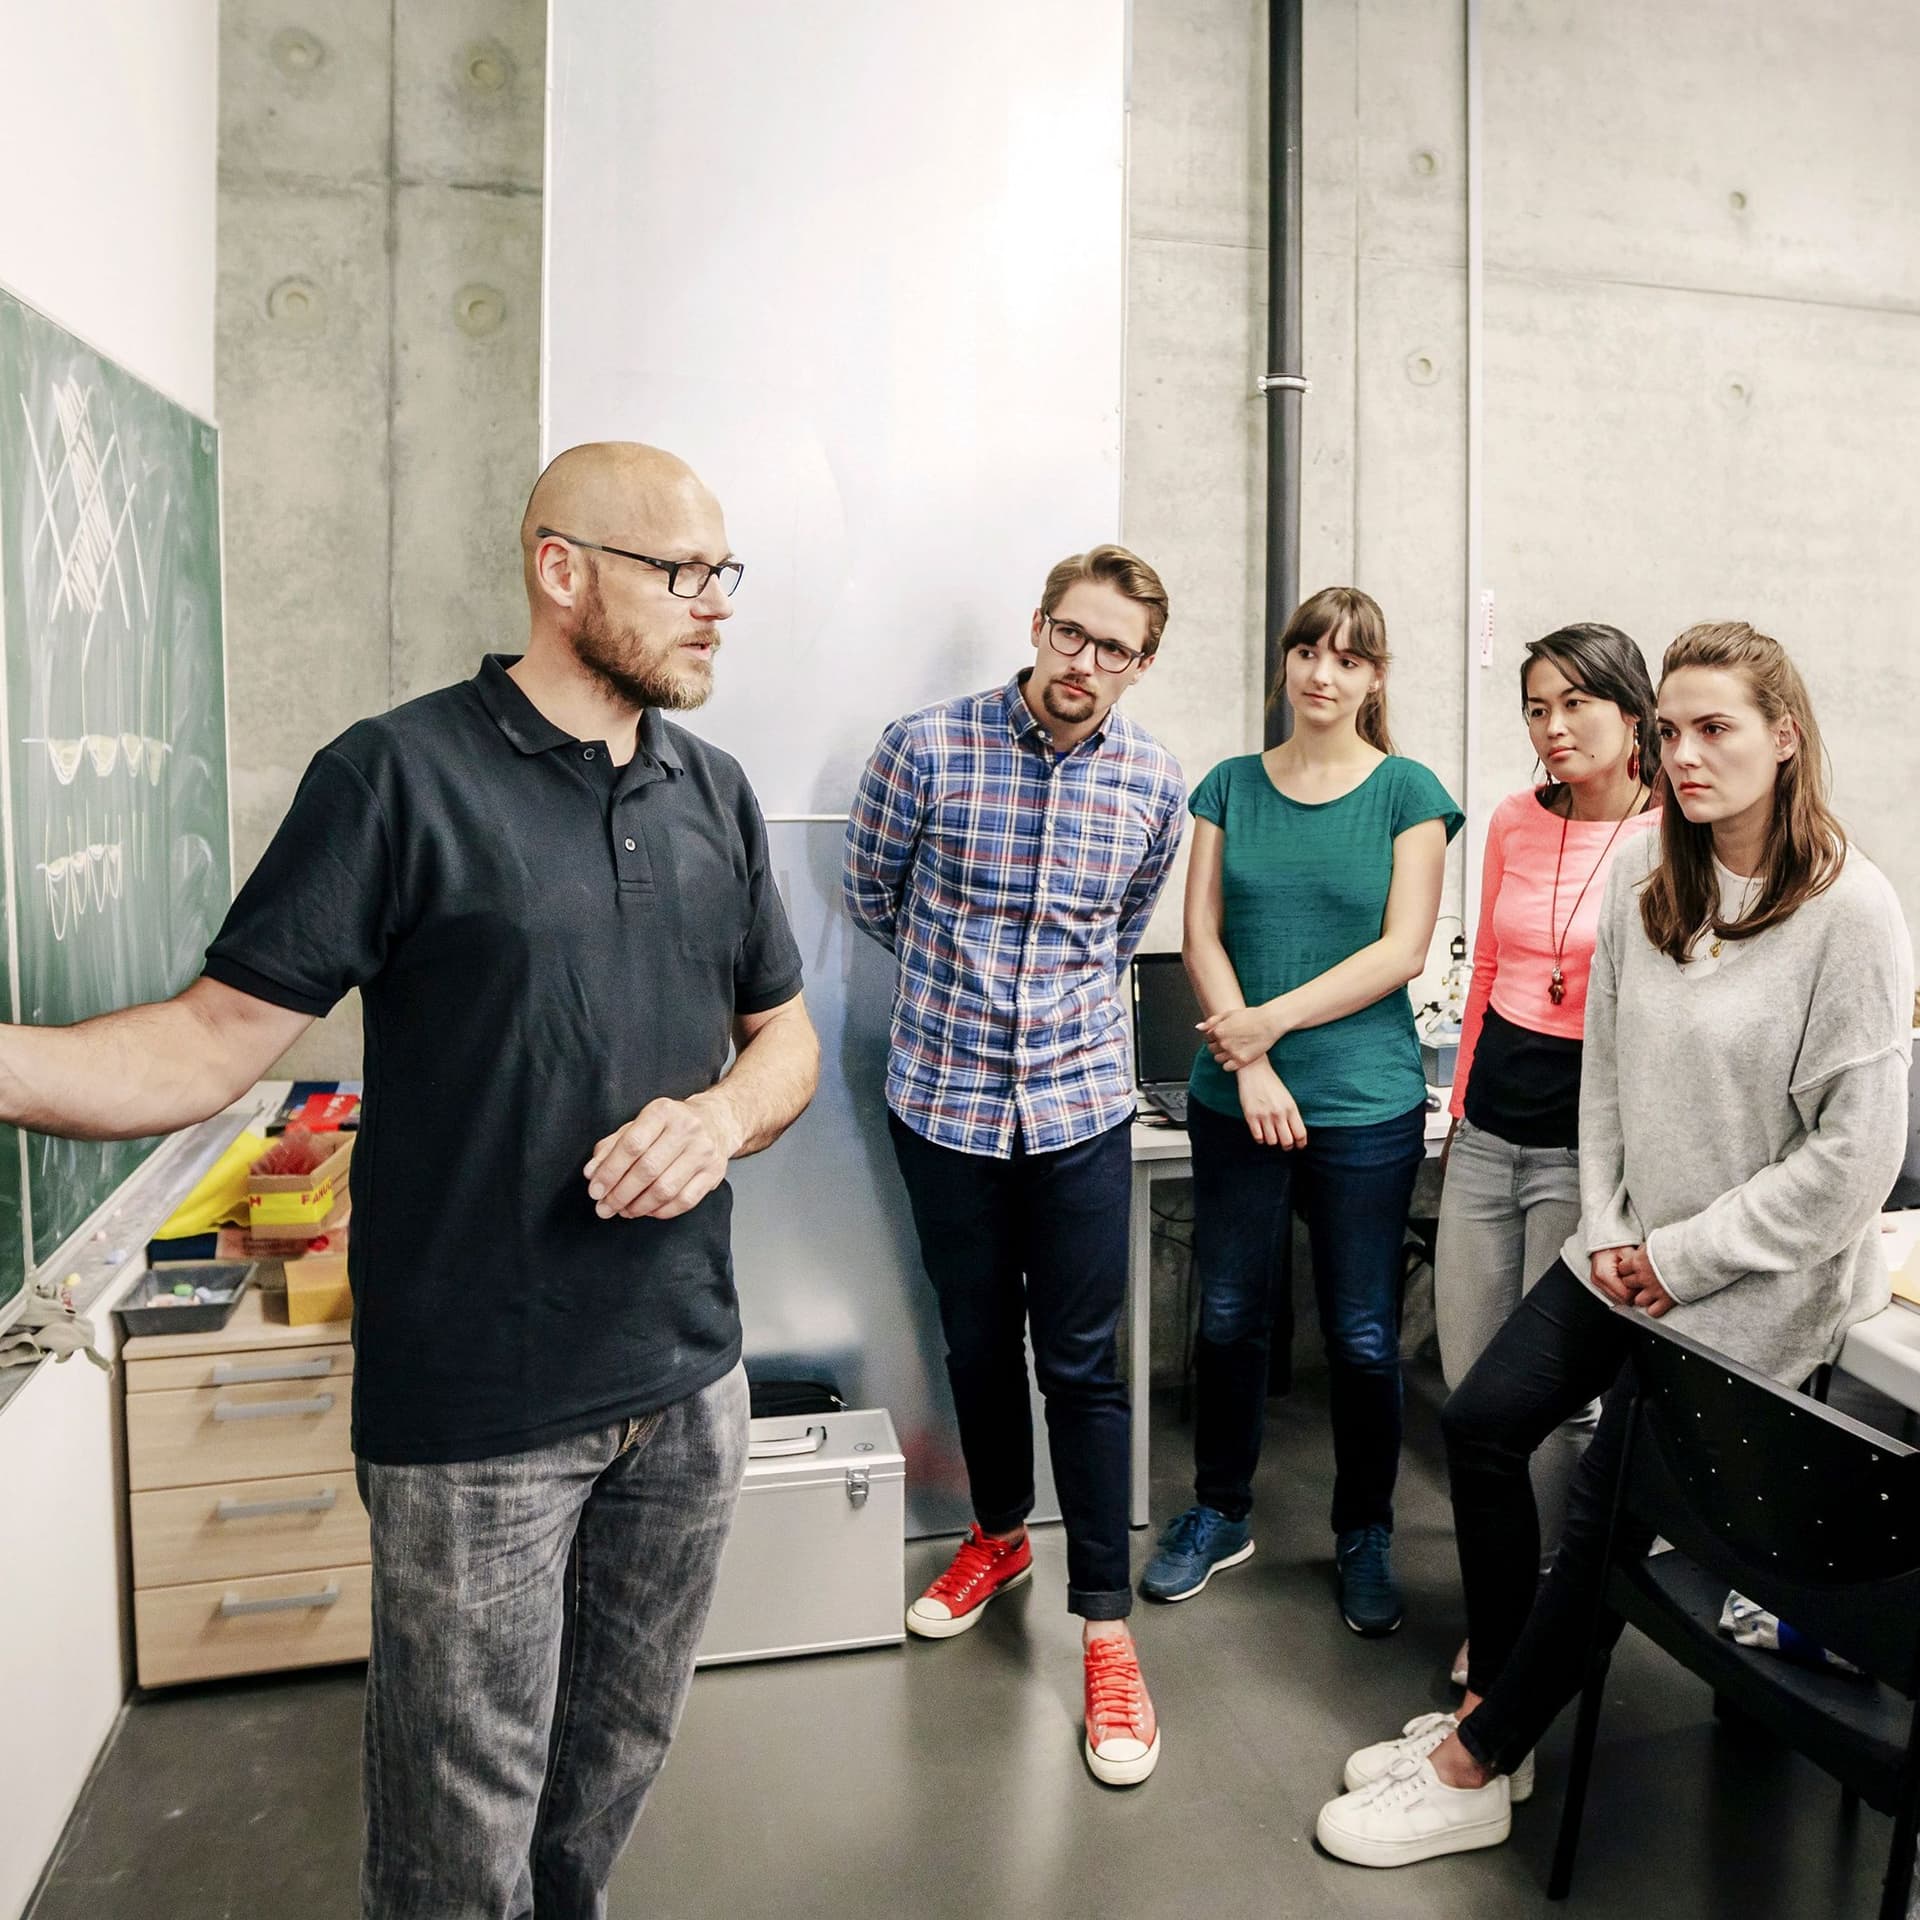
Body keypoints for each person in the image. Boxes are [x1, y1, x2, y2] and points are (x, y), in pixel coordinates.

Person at [0, 442, 821, 1916]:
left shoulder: (717, 790)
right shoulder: (396, 775)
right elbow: (200, 1050)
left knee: (606, 1786)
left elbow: (786, 1039)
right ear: (558, 570)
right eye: (679, 572)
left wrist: (722, 1117)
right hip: (478, 1420)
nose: (715, 606)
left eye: (724, 575)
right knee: (458, 1846)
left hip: (691, 1386)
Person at [1321, 622, 1914, 1869]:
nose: (1686, 756)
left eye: (1718, 729)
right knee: (1481, 1426)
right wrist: (1610, 1231)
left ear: (1785, 737)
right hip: (1626, 1255)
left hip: (1748, 1290)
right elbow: (1611, 1085)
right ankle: (1500, 1709)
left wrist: (1682, 1259)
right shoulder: (1651, 872)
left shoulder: (1850, 911)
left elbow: (1850, 1164)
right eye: (1674, 732)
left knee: (1601, 1517)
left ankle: (1475, 1768)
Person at [843, 544, 1185, 1787]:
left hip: (1082, 1108)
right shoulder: (924, 748)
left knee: (1087, 1366)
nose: (1087, 667)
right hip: (943, 1103)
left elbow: (1126, 923)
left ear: (1143, 664)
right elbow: (871, 894)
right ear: (1039, 626)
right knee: (978, 1343)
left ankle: (1105, 1632)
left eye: (1118, 651)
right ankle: (997, 1535)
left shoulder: (1155, 781)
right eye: (1074, 636)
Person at [1141, 586, 1462, 1635]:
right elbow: (1201, 937)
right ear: (1286, 664)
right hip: (1236, 1102)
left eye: (1349, 658)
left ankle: (1363, 1528)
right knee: (1229, 1317)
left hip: (1365, 1105)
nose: (1323, 673)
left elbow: (1400, 953)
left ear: (1376, 678)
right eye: (1308, 651)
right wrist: (1252, 1068)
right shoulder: (1229, 786)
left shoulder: (1410, 792)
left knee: (1365, 1334)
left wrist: (1261, 1030)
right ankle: (1220, 1511)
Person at [1434, 624, 1660, 1685]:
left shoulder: (1672, 838)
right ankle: (1503, 1605)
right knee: (1472, 1386)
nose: (1552, 728)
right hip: (1488, 1134)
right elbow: (1483, 969)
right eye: (1534, 708)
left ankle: (1546, 1623)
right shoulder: (1515, 823)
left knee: (1559, 1406)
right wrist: (1462, 1108)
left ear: (1631, 712)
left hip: (1586, 1149)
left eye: (1574, 704)